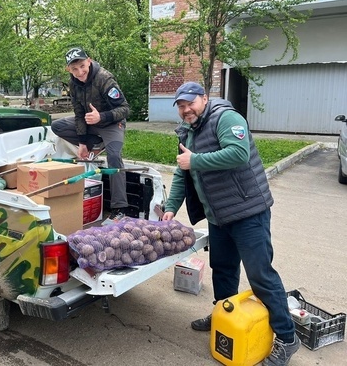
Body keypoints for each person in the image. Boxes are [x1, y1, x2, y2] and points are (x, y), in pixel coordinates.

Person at [161, 82, 300, 366]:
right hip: (219, 216)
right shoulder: (189, 130)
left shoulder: (227, 118)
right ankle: (225, 314)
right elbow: (182, 171)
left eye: (190, 103)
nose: (186, 109)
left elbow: (239, 154)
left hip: (248, 212)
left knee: (261, 275)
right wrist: (171, 208)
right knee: (223, 269)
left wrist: (195, 160)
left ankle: (287, 338)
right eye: (180, 105)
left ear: (204, 98)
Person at [51, 47, 130, 225]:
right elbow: (79, 115)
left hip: (111, 123)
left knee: (114, 156)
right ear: (68, 70)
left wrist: (101, 116)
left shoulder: (104, 78)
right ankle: (95, 142)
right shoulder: (73, 83)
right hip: (90, 123)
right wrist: (82, 143)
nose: (80, 72)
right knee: (57, 125)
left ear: (89, 60)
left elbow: (125, 109)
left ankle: (119, 209)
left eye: (82, 66)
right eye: (74, 69)